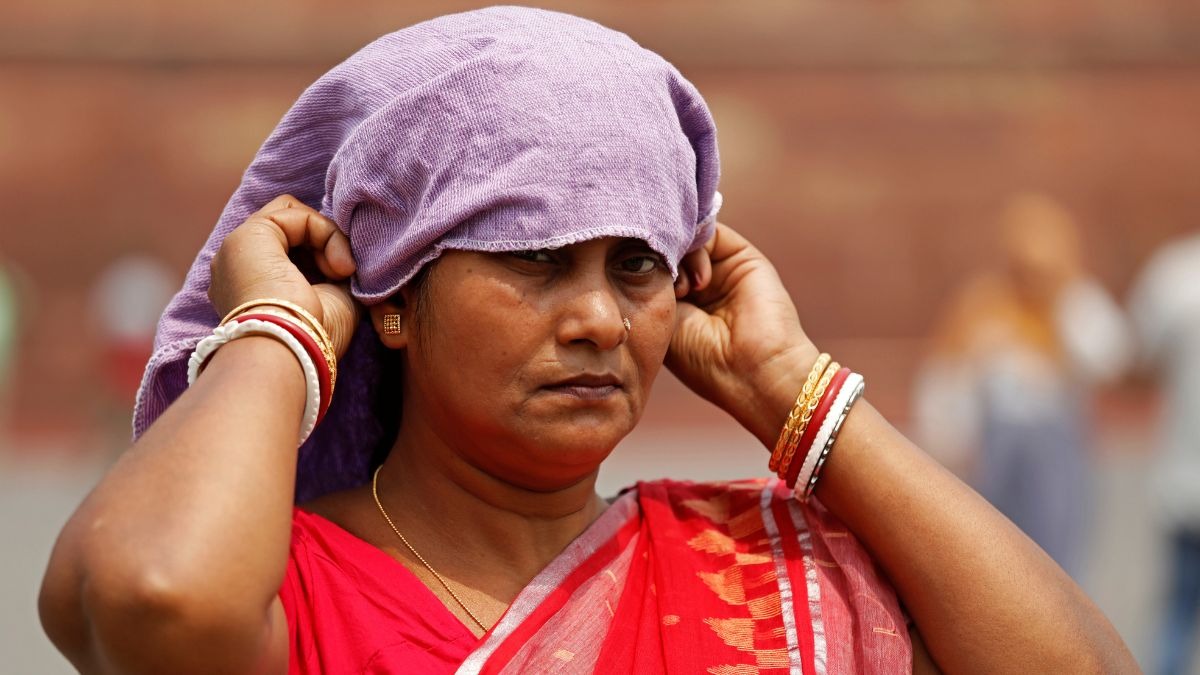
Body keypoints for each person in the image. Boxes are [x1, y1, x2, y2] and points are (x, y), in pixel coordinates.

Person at [39, 8, 1135, 674]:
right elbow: (154, 596)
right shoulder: (295, 590)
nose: (601, 320)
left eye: (636, 266)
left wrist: (792, 388)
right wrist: (280, 325)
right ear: (393, 299)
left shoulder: (769, 567)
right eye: (533, 261)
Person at [911, 193, 1131, 578]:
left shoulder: (1074, 301)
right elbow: (947, 377)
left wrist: (1066, 301)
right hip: (998, 450)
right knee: (1001, 557)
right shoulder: (985, 303)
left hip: (1059, 448)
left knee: (1057, 560)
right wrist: (950, 436)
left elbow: (1109, 356)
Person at [1127, 231, 1200, 675]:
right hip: (1185, 478)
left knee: (1176, 613)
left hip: (1186, 480)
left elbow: (1140, 357)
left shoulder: (1178, 276)